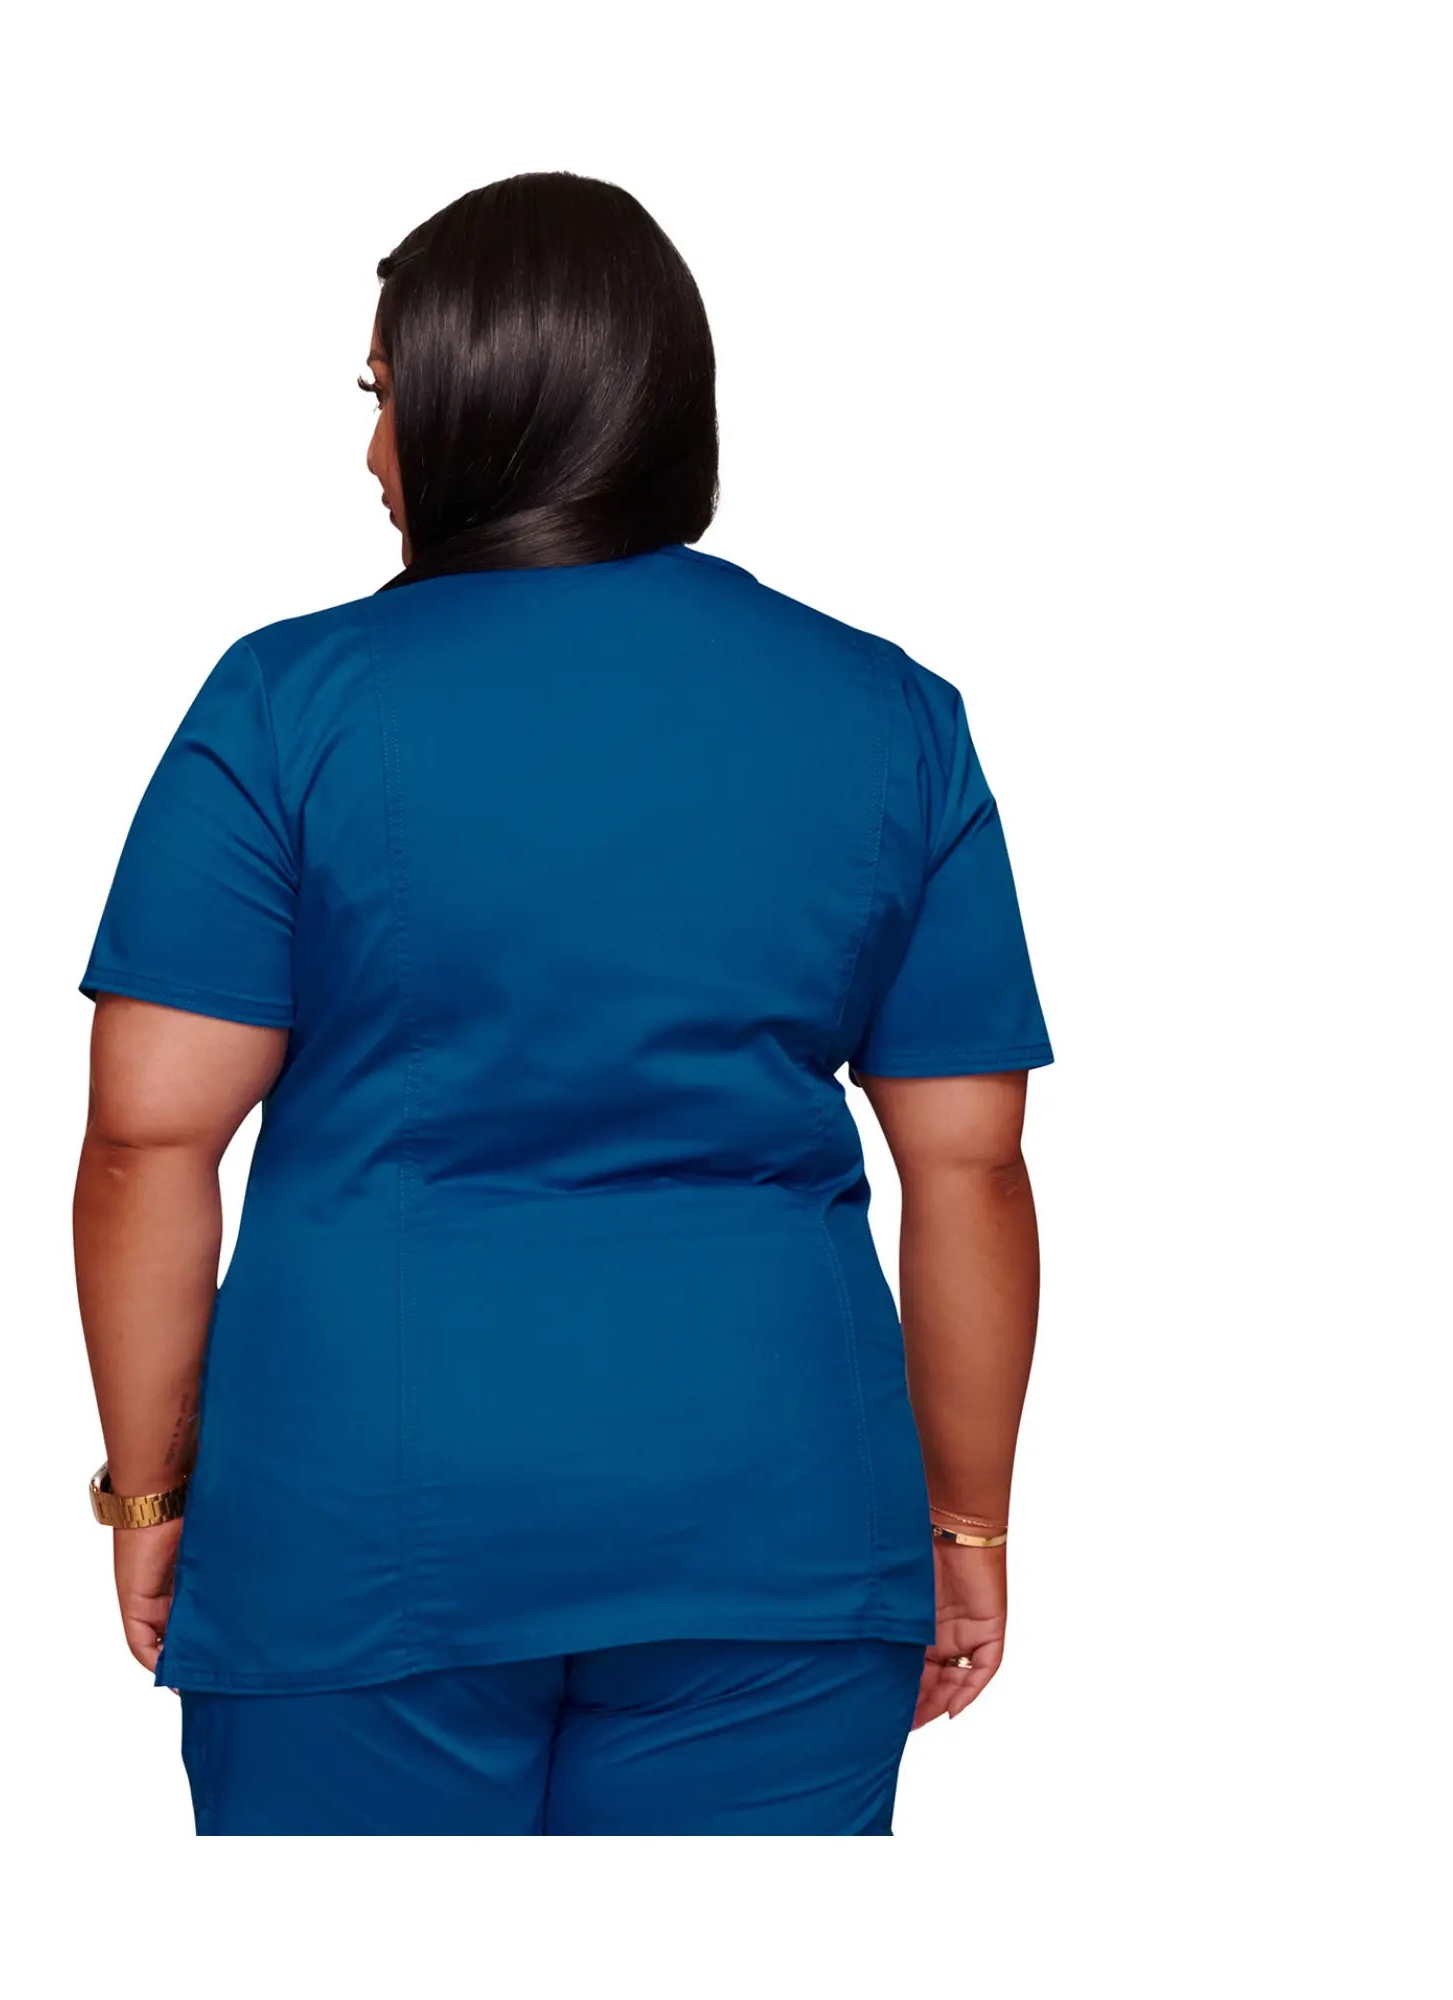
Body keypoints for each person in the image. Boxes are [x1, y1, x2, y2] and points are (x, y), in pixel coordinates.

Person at [73, 170, 1052, 1836]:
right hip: (778, 1525)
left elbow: (145, 1141)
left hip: (352, 1525)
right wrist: (963, 1523)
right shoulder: (890, 713)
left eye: (385, 396)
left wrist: (151, 1494)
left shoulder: (286, 704)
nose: (371, 454)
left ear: (479, 403)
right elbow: (969, 1165)